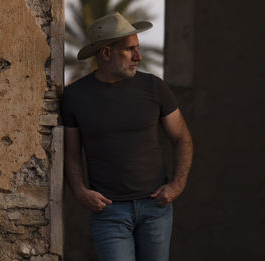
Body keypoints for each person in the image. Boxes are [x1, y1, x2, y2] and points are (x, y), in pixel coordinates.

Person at [62, 12, 193, 261]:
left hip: (156, 209)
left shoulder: (155, 87)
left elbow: (182, 138)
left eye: (138, 48)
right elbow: (71, 153)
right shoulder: (75, 96)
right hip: (109, 213)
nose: (138, 56)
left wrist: (177, 185)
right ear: (106, 53)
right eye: (130, 50)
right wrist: (80, 191)